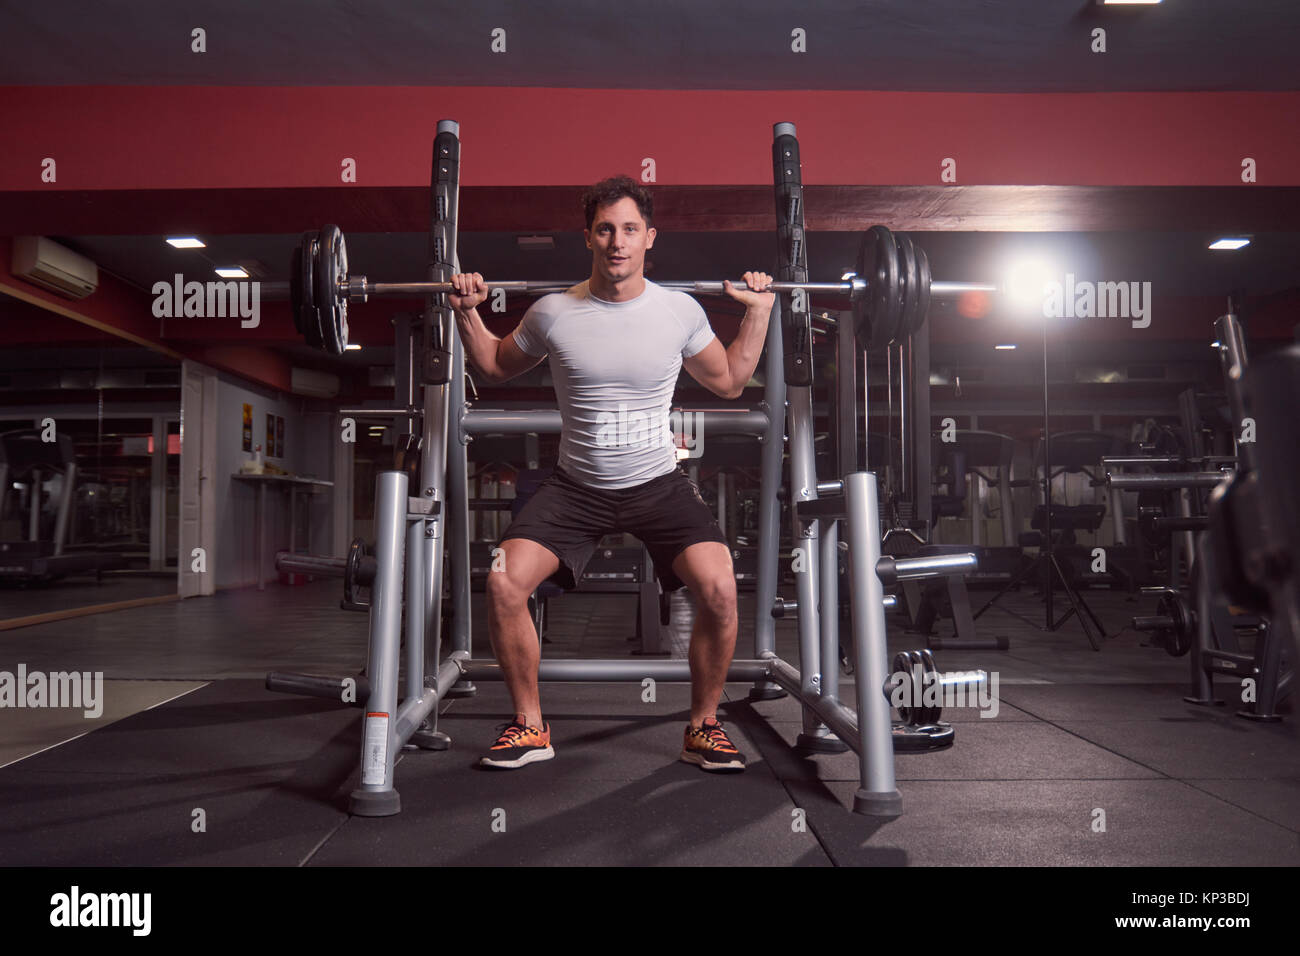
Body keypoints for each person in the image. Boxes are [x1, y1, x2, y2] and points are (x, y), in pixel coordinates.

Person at [449, 175, 774, 773]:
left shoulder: (678, 310)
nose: (617, 242)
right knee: (502, 582)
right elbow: (494, 364)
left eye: (629, 229)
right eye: (605, 229)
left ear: (649, 237)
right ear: (588, 238)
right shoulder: (553, 312)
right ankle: (530, 725)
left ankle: (704, 726)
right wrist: (469, 313)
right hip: (576, 488)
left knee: (721, 589)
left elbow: (728, 381)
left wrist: (758, 312)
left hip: (658, 484)